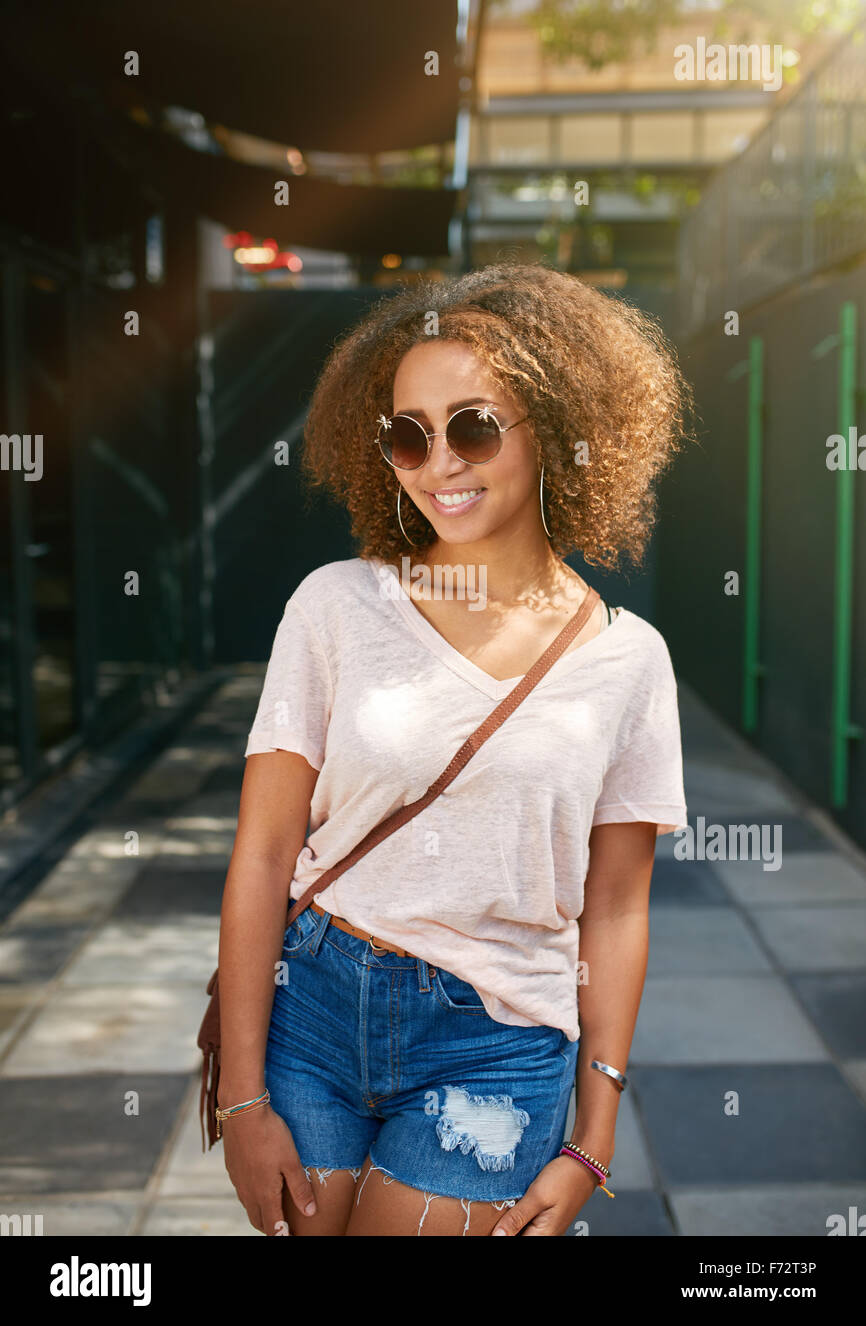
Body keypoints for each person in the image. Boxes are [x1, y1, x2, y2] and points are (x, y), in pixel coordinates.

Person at [215, 263, 694, 1236]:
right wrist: (239, 1094)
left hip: (496, 1042)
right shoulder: (334, 606)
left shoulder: (627, 660)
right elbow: (263, 856)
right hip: (309, 1006)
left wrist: (592, 1134)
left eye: (473, 426)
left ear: (555, 428)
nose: (438, 462)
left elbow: (614, 907)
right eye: (406, 435)